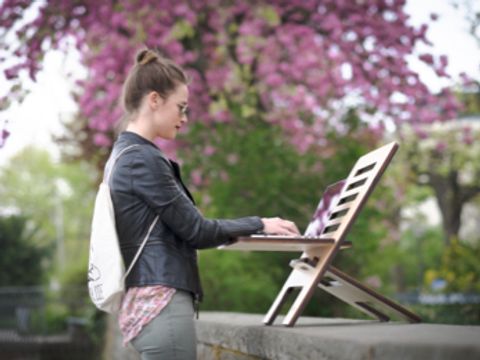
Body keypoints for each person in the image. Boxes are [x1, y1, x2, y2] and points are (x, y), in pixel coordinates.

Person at [107, 48, 300, 360]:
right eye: (180, 107)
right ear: (154, 100)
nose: (184, 118)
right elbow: (196, 230)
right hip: (162, 304)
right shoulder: (141, 159)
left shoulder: (123, 155)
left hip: (150, 304)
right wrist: (261, 224)